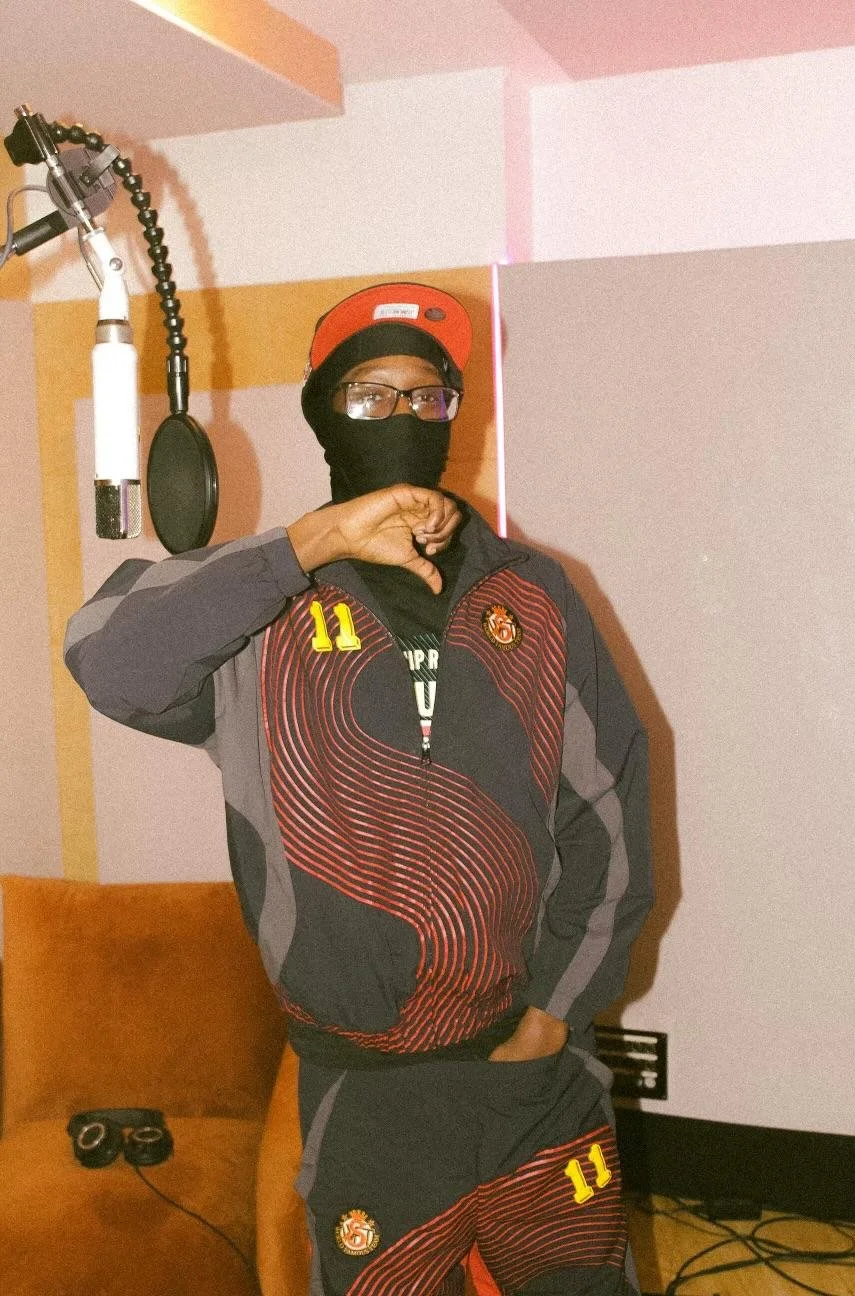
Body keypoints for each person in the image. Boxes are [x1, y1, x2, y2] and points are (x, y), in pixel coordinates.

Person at [65, 282, 653, 1296]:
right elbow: (109, 661)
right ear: (323, 414)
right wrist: (311, 544)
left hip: (534, 1075)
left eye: (426, 397)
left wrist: (558, 1011)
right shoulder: (260, 610)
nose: (402, 417)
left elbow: (610, 806)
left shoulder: (535, 594)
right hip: (367, 1092)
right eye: (370, 396)